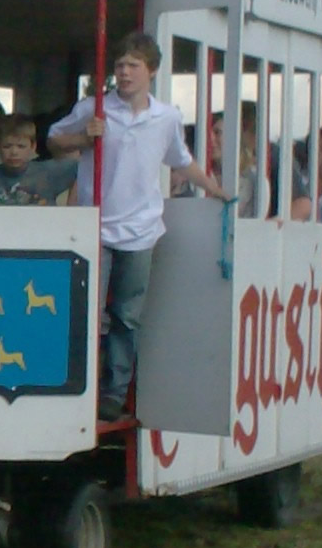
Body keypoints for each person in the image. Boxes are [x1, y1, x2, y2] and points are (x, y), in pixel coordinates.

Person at [48, 31, 229, 422]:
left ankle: (113, 392)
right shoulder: (94, 108)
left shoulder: (166, 117)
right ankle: (80, 385)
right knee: (88, 312)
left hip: (141, 229)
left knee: (127, 316)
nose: (124, 73)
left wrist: (213, 189)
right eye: (119, 65)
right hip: (94, 226)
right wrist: (84, 137)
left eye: (133, 65)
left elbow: (180, 160)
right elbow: (54, 139)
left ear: (152, 71)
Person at [0, 115, 77, 205]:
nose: (14, 152)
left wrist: (72, 207)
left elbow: (84, 169)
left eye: (21, 146)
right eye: (7, 146)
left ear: (33, 146)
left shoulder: (49, 172)